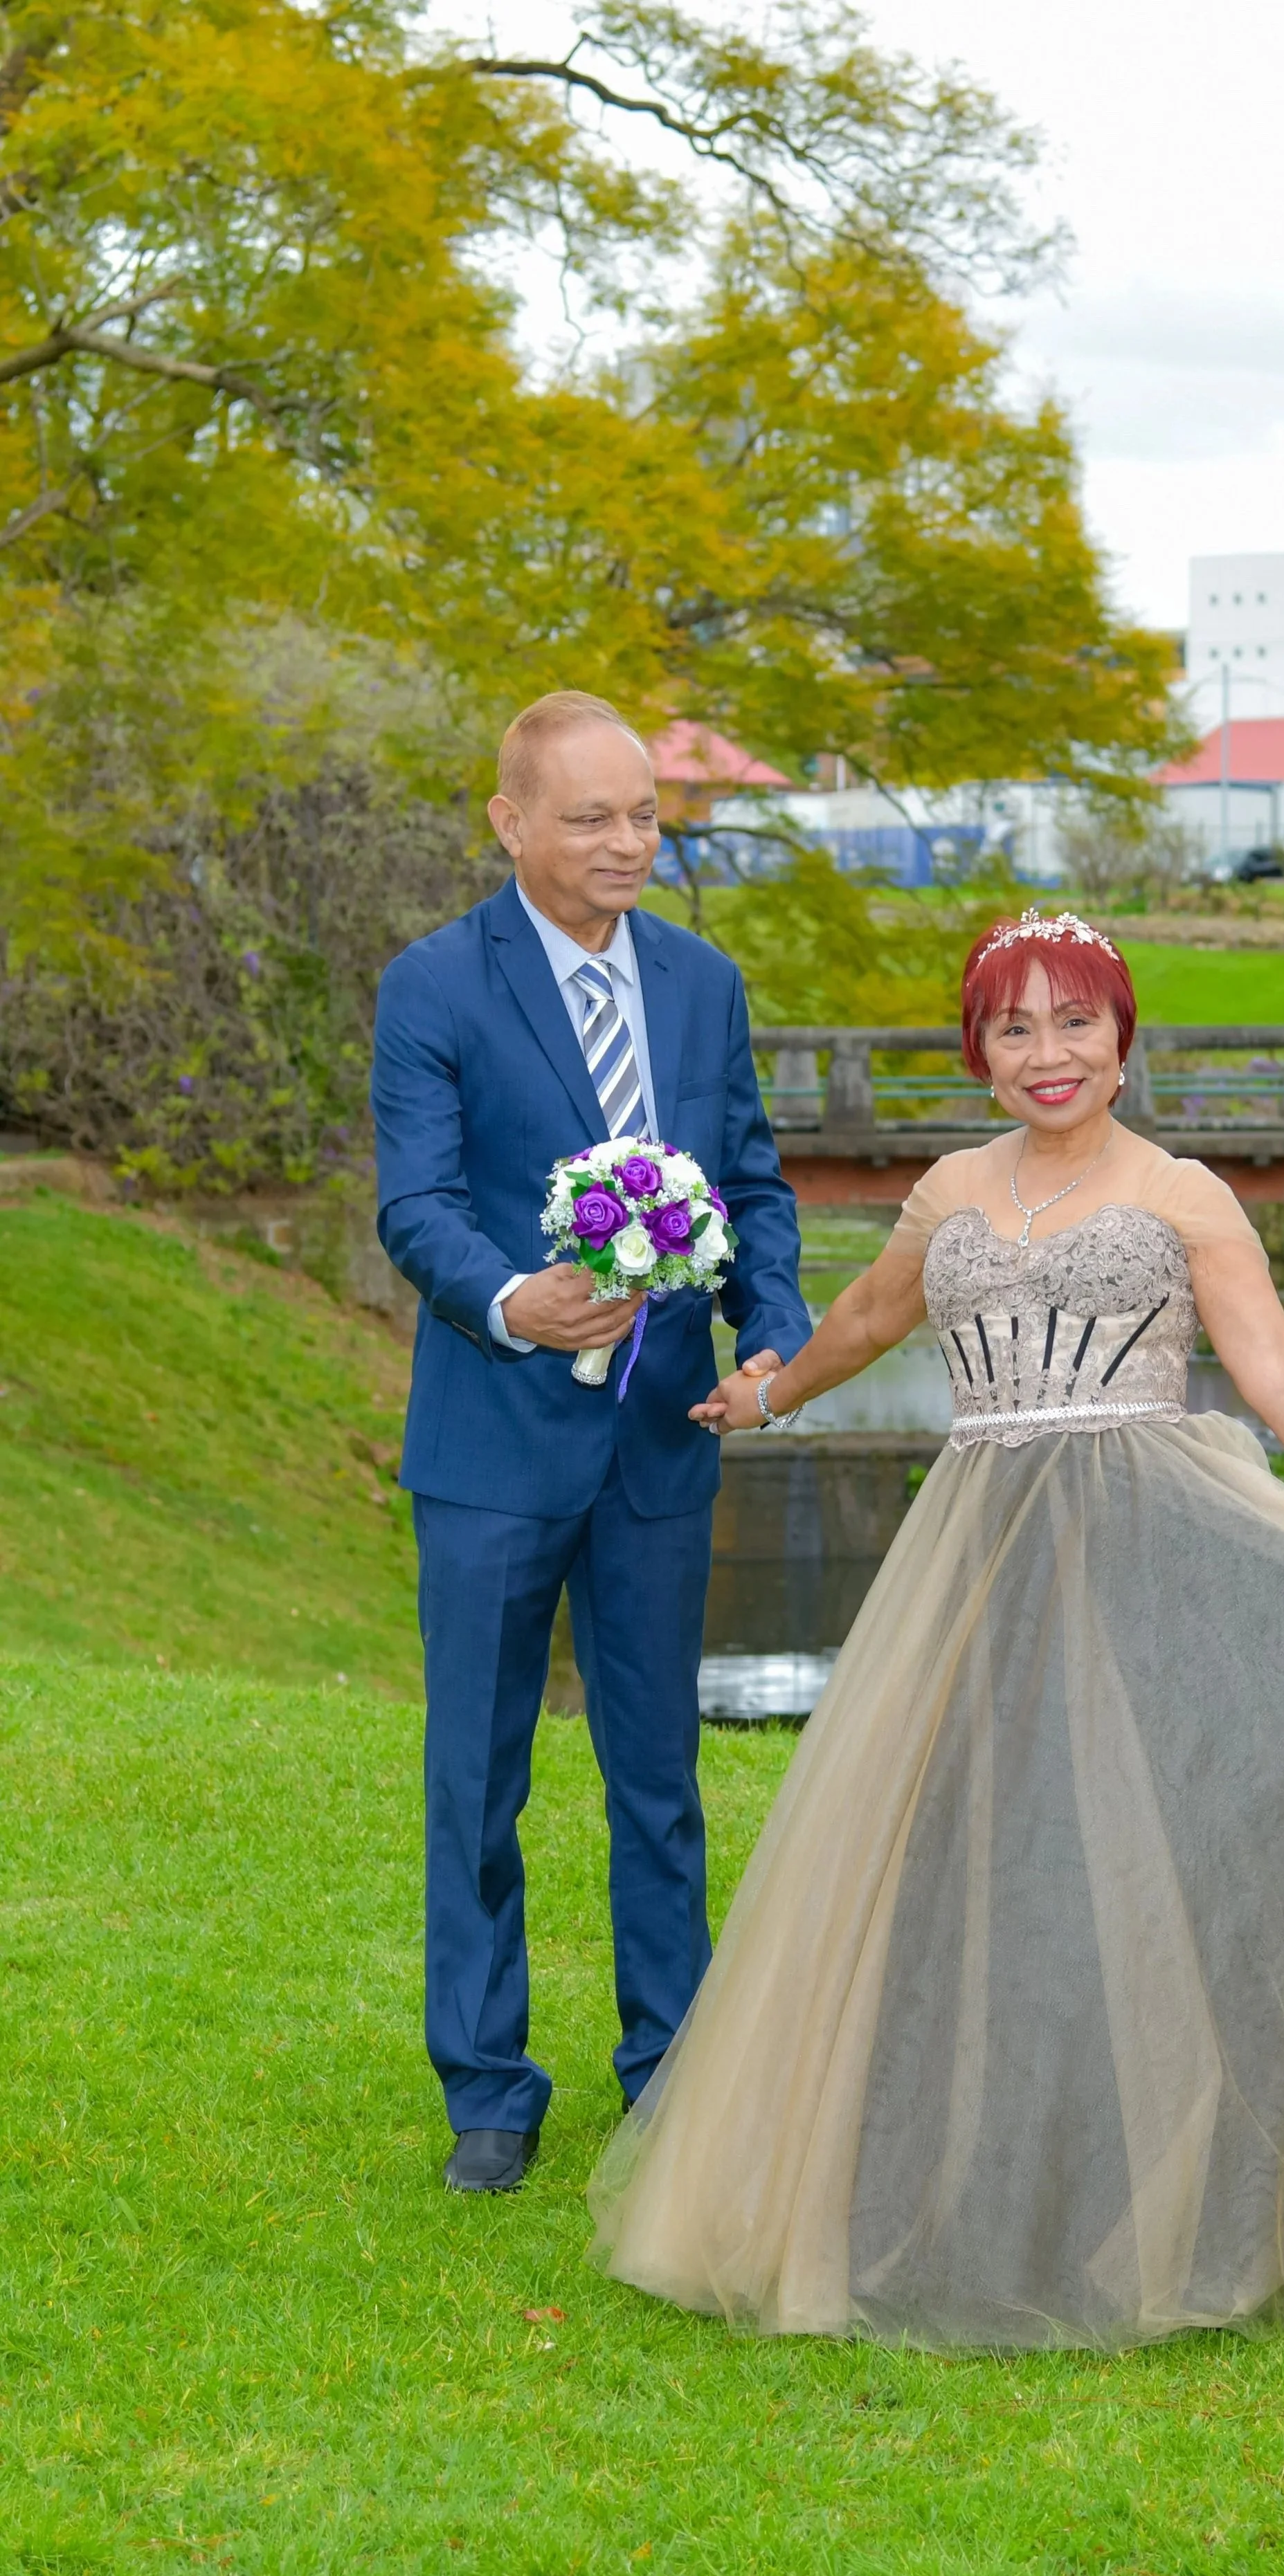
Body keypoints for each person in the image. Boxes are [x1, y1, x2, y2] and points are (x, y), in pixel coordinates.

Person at [587, 908, 1284, 2348]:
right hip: (975, 1559)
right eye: (1012, 1027)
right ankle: (963, 2184)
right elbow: (863, 1317)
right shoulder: (946, 1193)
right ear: (978, 1051)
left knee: (1156, 1851)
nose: (1047, 1053)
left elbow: (1277, 1372)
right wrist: (765, 1394)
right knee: (973, 1855)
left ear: (1120, 1040)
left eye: (1073, 1023)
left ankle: (1222, 2176)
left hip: (1150, 1542)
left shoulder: (1182, 1196)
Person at [372, 691, 808, 2195]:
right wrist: (508, 1299)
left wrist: (773, 1327)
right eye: (591, 818)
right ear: (508, 823)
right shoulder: (432, 987)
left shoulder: (703, 984)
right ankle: (488, 2086)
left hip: (659, 1451)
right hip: (489, 1449)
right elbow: (414, 1204)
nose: (630, 844)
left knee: (658, 1776)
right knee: (475, 1780)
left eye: (644, 814)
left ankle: (671, 2069)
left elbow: (751, 1179)